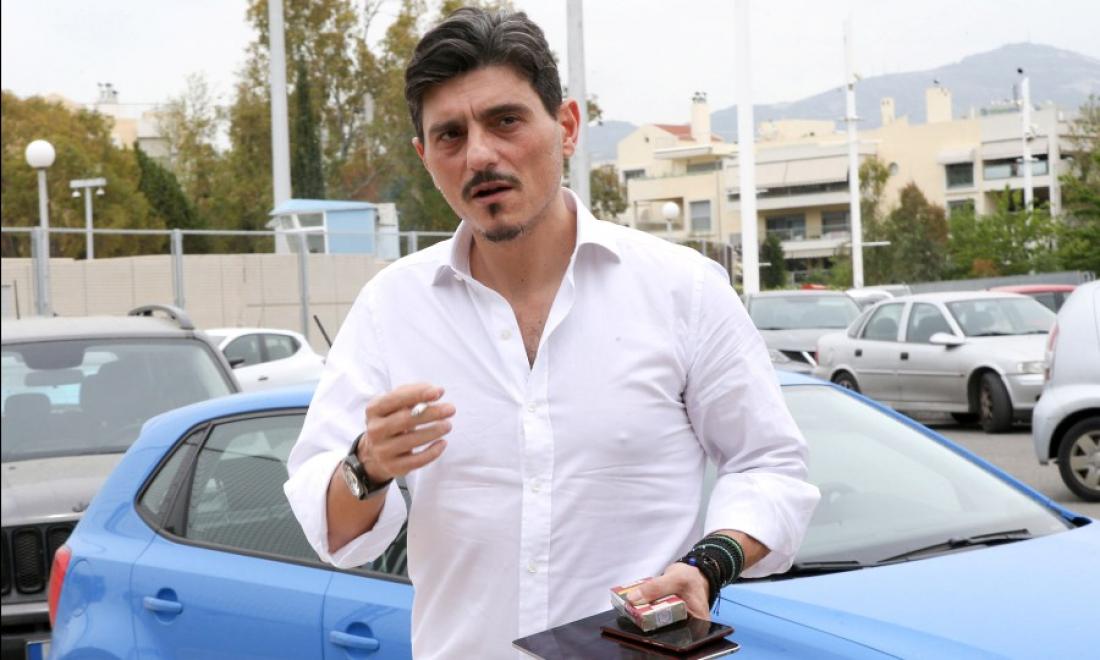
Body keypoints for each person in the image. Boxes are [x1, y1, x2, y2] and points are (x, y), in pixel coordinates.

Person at [285, 7, 819, 658]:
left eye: (505, 121)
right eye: (450, 135)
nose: (480, 154)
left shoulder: (684, 290)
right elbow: (332, 528)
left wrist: (710, 563)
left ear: (565, 127)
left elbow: (770, 465)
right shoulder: (390, 308)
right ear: (425, 156)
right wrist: (366, 465)